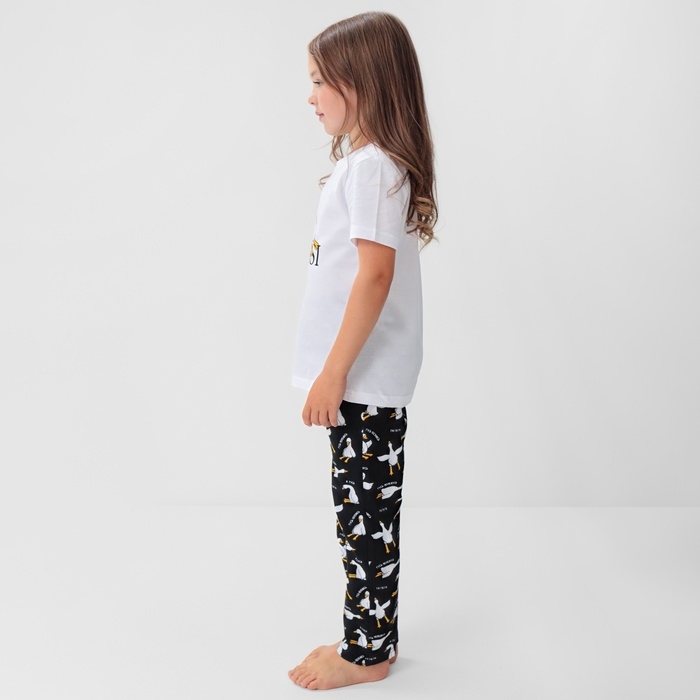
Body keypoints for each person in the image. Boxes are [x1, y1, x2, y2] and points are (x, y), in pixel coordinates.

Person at [288, 11, 438, 691]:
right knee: (360, 516)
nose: (311, 96)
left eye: (322, 81)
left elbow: (375, 277)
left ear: (364, 84)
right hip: (361, 381)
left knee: (365, 518)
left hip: (363, 381)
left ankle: (367, 653)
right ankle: (369, 636)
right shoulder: (366, 167)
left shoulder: (373, 169)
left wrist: (334, 372)